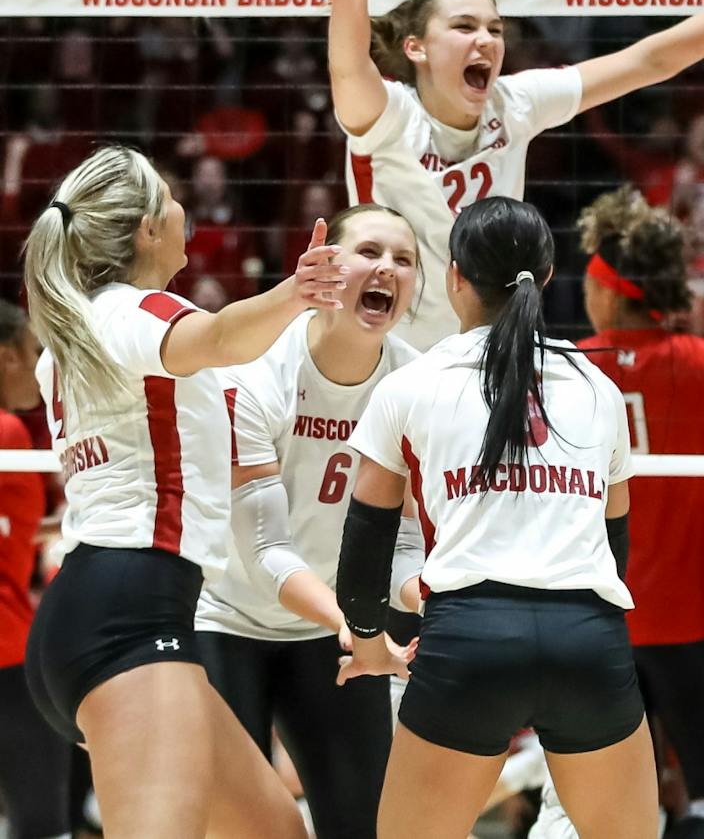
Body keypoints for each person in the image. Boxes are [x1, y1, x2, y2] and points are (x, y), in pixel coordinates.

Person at [22, 144, 346, 838]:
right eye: (170, 198)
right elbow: (223, 335)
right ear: (144, 228)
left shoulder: (72, 337)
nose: (183, 211)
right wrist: (298, 292)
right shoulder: (134, 312)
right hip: (130, 615)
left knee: (273, 829)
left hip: (99, 608)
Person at [327, 0, 704, 349]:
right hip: (385, 354)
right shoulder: (392, 115)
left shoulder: (516, 103)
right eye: (464, 27)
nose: (485, 39)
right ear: (415, 47)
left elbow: (651, 60)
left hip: (484, 357)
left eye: (495, 29)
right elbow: (349, 69)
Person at [334, 195, 654, 839]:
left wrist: (371, 643)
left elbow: (364, 545)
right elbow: (615, 542)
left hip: (470, 645)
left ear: (455, 278)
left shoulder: (410, 385)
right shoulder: (599, 388)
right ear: (551, 275)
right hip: (587, 644)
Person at [532, 185, 704, 839]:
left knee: (597, 815)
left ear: (612, 291)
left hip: (591, 621)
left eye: (590, 282)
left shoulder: (567, 369)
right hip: (689, 623)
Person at [194, 204, 423, 839]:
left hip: (334, 632)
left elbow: (403, 541)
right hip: (229, 617)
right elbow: (266, 549)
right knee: (241, 828)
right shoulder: (254, 369)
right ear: (325, 267)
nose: (388, 268)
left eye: (404, 259)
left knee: (364, 825)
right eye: (370, 251)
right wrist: (356, 623)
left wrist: (435, 600)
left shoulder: (414, 381)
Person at [0, 301, 71, 839]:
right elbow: (18, 532)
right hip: (8, 647)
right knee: (40, 820)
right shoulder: (9, 431)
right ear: (7, 358)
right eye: (33, 352)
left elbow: (17, 528)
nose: (40, 366)